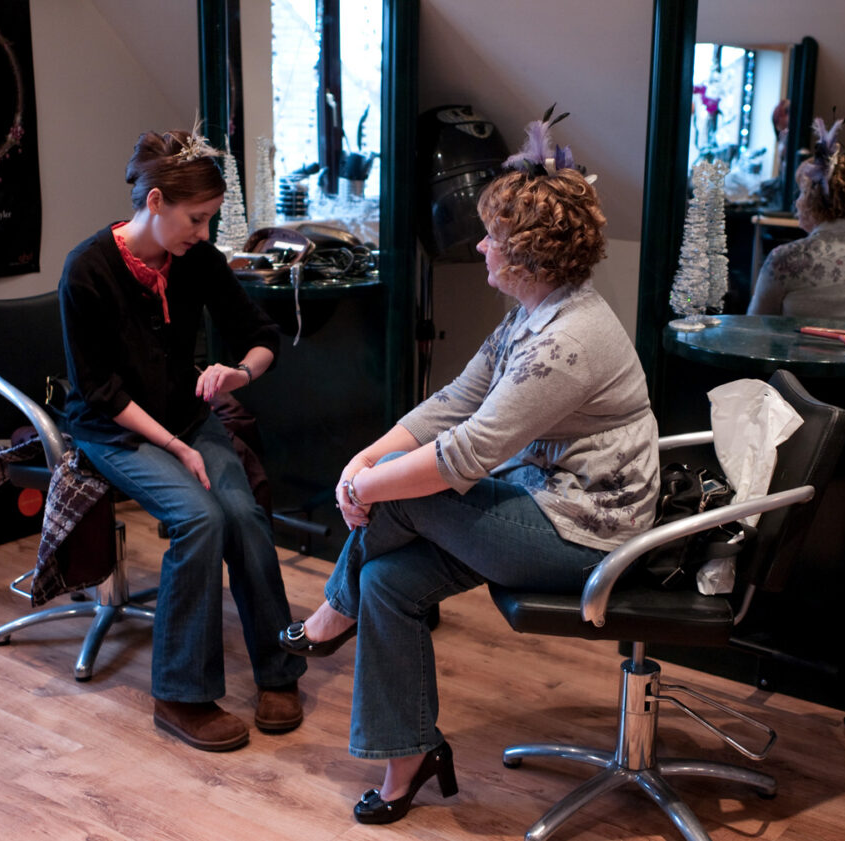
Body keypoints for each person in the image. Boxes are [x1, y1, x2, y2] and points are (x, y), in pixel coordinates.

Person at [276, 108, 660, 825]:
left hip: (589, 535)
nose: (479, 245)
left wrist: (366, 485)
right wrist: (368, 457)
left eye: (492, 237)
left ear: (527, 257)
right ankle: (408, 757)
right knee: (388, 580)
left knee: (405, 494)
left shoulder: (567, 342)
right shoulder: (535, 312)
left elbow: (467, 452)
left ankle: (333, 610)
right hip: (538, 501)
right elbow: (457, 399)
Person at [58, 127, 306, 751]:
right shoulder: (87, 270)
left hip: (187, 419)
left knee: (243, 515)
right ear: (156, 201)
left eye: (210, 219)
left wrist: (238, 372)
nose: (204, 232)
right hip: (115, 430)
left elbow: (261, 337)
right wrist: (174, 446)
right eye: (197, 219)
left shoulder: (197, 261)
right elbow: (100, 392)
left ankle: (280, 671)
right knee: (199, 518)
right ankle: (179, 694)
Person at [747, 115, 845, 320]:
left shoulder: (784, 259)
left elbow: (753, 327)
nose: (797, 202)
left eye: (801, 192)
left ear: (814, 198)